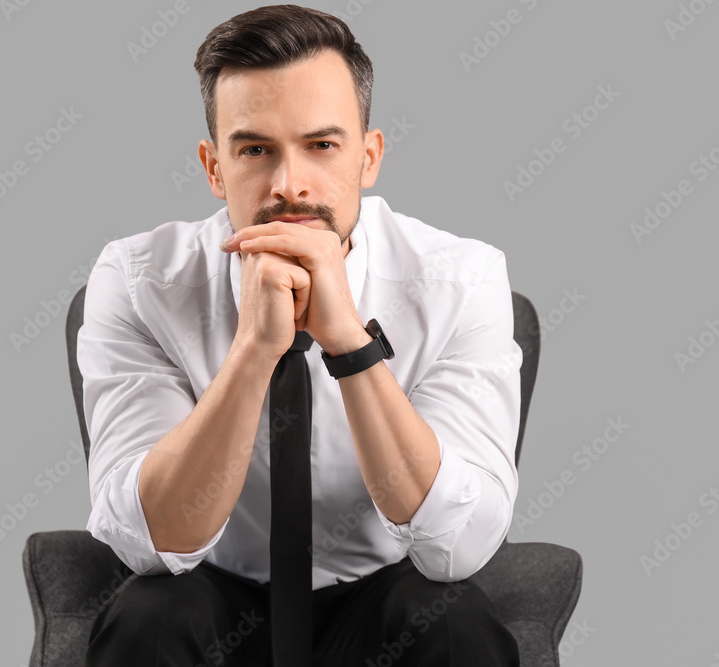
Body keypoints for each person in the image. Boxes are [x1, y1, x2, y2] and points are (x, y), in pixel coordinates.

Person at [80, 5, 522, 665]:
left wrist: (349, 341)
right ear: (213, 168)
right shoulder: (141, 278)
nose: (290, 185)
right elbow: (151, 539)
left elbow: (461, 543)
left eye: (322, 145)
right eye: (255, 149)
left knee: (453, 621)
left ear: (368, 157)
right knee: (151, 614)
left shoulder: (459, 279)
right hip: (214, 592)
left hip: (378, 593)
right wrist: (255, 351)